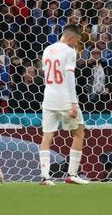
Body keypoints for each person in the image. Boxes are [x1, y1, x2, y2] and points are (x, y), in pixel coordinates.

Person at [39, 24, 89, 185]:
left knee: (47, 136)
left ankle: (45, 177)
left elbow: (46, 73)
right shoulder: (69, 51)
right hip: (65, 99)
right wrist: (74, 103)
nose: (76, 45)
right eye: (76, 41)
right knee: (79, 133)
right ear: (70, 38)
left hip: (48, 98)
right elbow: (69, 78)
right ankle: (72, 174)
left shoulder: (47, 49)